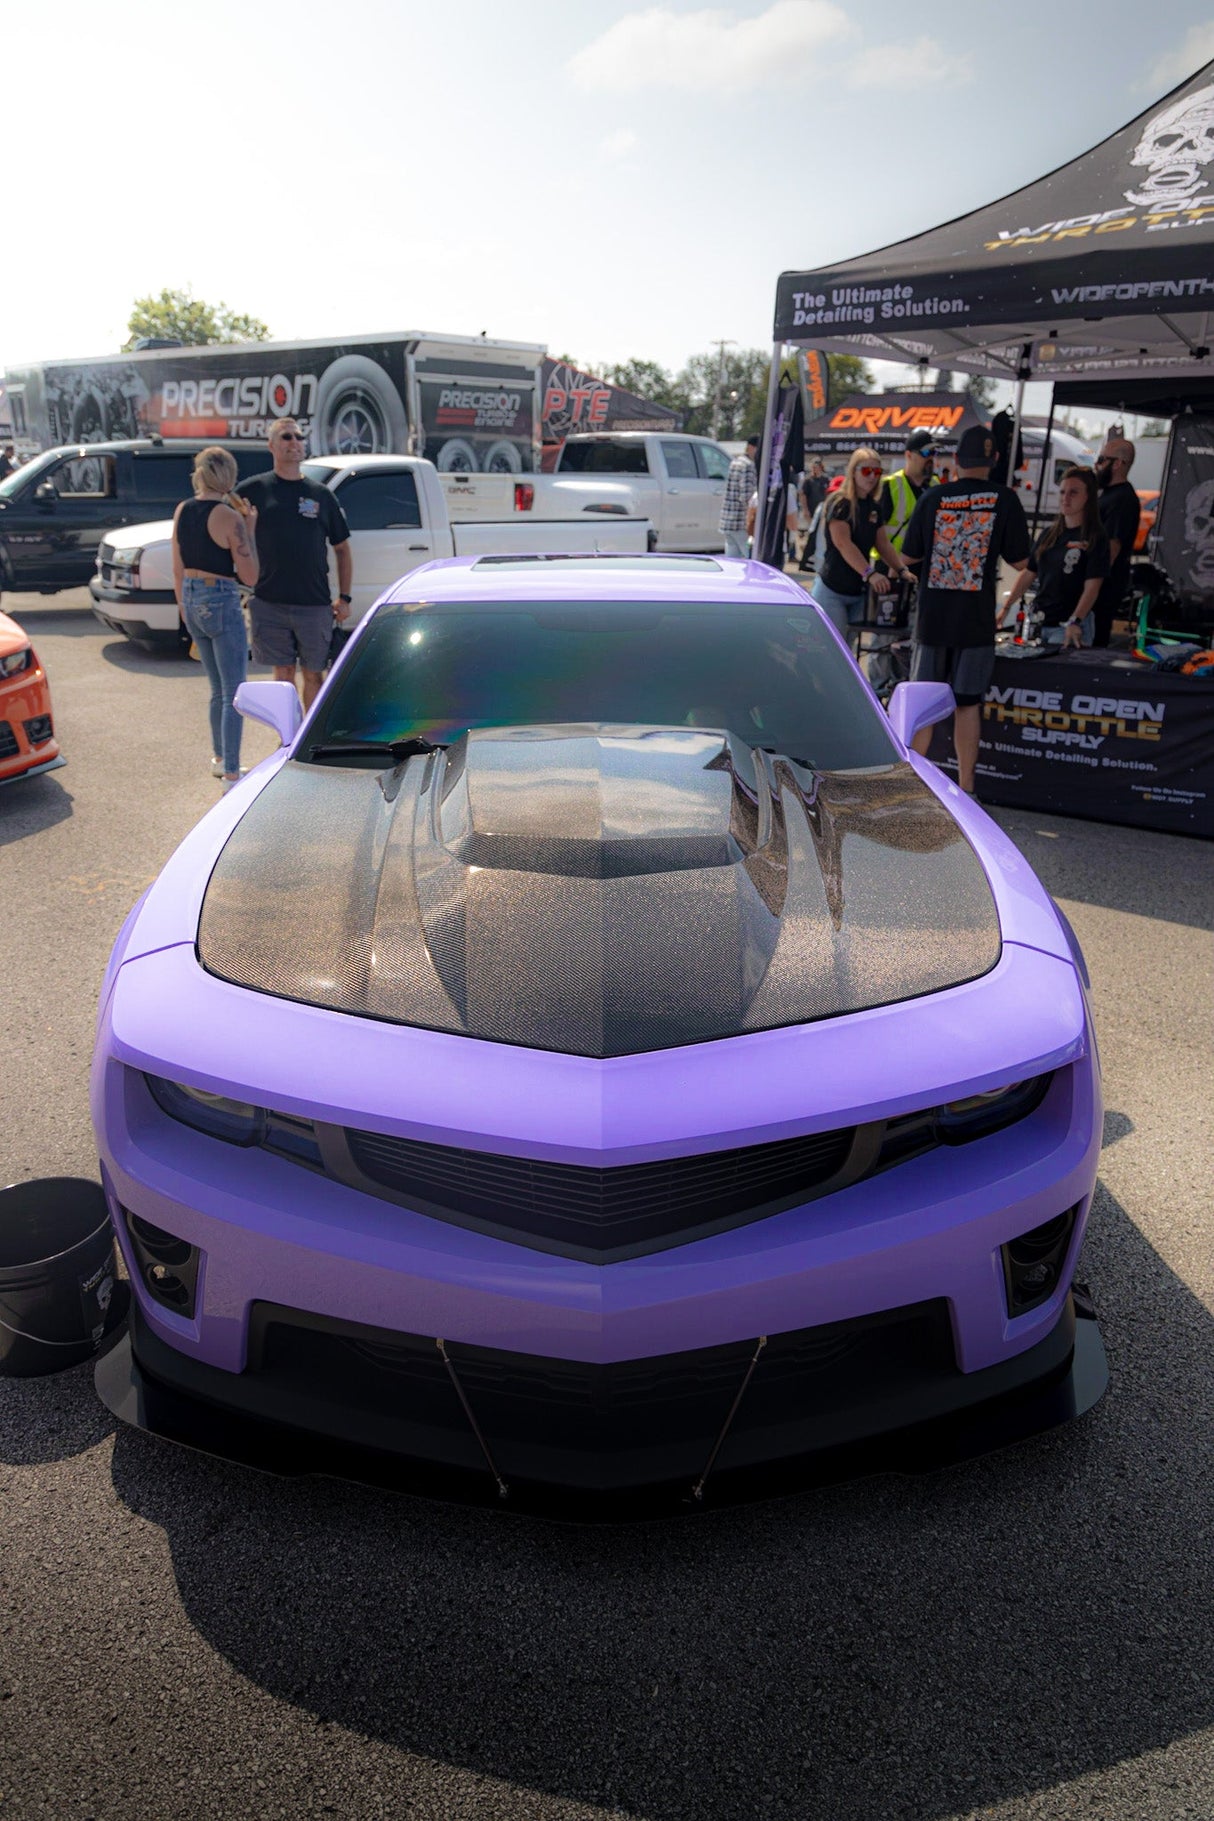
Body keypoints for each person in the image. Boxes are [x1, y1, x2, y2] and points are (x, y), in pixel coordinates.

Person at [901, 422, 1030, 796]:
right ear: (995, 460)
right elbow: (1022, 561)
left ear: (955, 459)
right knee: (968, 703)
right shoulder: (1005, 499)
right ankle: (967, 788)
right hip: (976, 621)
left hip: (933, 619)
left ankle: (913, 787)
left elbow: (909, 557)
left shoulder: (933, 498)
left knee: (923, 701)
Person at [237, 417, 353, 708]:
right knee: (283, 676)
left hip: (313, 604)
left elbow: (342, 548)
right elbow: (228, 533)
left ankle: (307, 744)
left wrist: (345, 597)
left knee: (315, 675)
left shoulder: (320, 495)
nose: (294, 443)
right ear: (272, 445)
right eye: (287, 437)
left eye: (299, 437)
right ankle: (287, 741)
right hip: (270, 601)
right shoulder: (253, 491)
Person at [171, 447, 260, 789]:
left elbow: (177, 566)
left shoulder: (183, 510)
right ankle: (232, 773)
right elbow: (250, 576)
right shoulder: (229, 517)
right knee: (233, 691)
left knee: (216, 689)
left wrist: (183, 608)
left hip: (191, 596)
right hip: (220, 597)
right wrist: (249, 528)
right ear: (228, 476)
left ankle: (221, 758)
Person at [810, 446, 913, 641]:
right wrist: (870, 574)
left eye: (877, 472)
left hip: (858, 592)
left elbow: (882, 544)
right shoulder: (840, 503)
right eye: (867, 471)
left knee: (848, 649)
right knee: (834, 648)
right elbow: (843, 543)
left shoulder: (874, 507)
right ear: (853, 471)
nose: (872, 476)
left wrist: (901, 570)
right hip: (832, 589)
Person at [1001, 467, 1109, 649]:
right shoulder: (1049, 534)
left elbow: (1093, 586)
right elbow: (1029, 572)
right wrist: (1006, 608)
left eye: (1073, 492)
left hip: (1069, 625)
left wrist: (1075, 621)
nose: (1065, 498)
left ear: (1088, 496)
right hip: (1039, 621)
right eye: (1062, 492)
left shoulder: (1095, 537)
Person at [1090, 436, 1140, 647]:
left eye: (1102, 459)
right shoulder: (1108, 495)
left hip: (1103, 588)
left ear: (1118, 463)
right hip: (1094, 584)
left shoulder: (1123, 499)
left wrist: (1091, 586)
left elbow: (1111, 548)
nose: (1097, 465)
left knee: (1092, 640)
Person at [720, 434, 758, 558]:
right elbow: (747, 496)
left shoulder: (735, 462)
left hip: (727, 521)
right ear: (751, 448)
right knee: (751, 558)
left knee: (732, 561)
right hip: (741, 522)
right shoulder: (748, 466)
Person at [797, 458, 829, 571]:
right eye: (814, 467)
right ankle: (806, 561)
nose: (815, 469)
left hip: (822, 512)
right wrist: (805, 511)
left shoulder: (826, 480)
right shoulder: (808, 481)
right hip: (811, 513)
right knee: (810, 536)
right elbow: (803, 496)